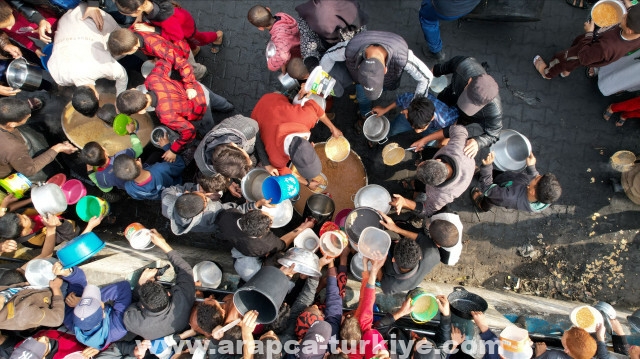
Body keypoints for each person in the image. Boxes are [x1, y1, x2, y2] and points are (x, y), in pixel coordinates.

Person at [116, 57, 233, 163]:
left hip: (199, 110)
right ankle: (228, 107)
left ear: (141, 111)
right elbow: (166, 60)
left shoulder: (165, 115)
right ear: (134, 90)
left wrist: (174, 150)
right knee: (215, 99)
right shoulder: (153, 79)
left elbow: (189, 131)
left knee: (207, 129)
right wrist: (156, 60)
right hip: (196, 88)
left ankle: (214, 138)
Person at [319, 30, 433, 121]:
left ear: (385, 70)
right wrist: (322, 76)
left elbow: (427, 77)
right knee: (363, 97)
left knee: (372, 93)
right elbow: (328, 56)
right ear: (359, 67)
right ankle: (364, 114)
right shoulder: (349, 48)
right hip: (360, 83)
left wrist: (415, 104)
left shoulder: (402, 55)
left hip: (389, 81)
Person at [411, 56, 501, 159]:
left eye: (472, 104)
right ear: (469, 80)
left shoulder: (494, 111)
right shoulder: (463, 64)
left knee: (442, 141)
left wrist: (479, 142)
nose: (466, 103)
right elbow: (436, 70)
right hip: (445, 100)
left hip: (461, 119)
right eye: (468, 97)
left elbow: (494, 134)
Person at [251, 93, 341, 188]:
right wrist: (308, 183)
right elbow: (287, 173)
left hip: (270, 99)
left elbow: (316, 108)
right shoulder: (277, 159)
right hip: (256, 118)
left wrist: (333, 128)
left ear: (312, 145)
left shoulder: (306, 118)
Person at [114, 0, 221, 76]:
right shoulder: (145, 5)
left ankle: (217, 36)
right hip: (177, 24)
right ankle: (195, 49)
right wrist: (139, 16)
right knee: (192, 44)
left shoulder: (164, 18)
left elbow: (177, 36)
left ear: (138, 9)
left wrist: (153, 29)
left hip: (185, 28)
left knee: (200, 39)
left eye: (127, 13)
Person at [534, 5, 640, 80]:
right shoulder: (636, 35)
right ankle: (566, 71)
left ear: (629, 30)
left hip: (586, 51)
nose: (623, 14)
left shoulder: (606, 47)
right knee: (572, 63)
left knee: (562, 59)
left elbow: (584, 57)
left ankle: (547, 73)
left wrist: (589, 33)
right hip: (593, 50)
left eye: (625, 17)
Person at [123, 229, 195, 339]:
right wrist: (162, 243)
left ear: (142, 305)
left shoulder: (134, 322)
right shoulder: (182, 303)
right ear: (169, 293)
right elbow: (185, 270)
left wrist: (139, 285)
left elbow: (129, 304)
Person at [393, 125, 476, 219]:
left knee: (418, 186)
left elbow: (427, 210)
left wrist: (405, 202)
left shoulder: (441, 195)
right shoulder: (459, 149)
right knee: (427, 152)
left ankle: (413, 185)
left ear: (432, 185)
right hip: (461, 161)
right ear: (438, 160)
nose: (419, 164)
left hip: (461, 173)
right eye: (423, 163)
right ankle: (413, 182)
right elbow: (459, 129)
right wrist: (424, 140)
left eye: (421, 163)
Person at [47, 3, 128, 94]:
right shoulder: (58, 76)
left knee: (121, 44)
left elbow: (122, 75)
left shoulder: (103, 66)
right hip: (67, 20)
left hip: (90, 17)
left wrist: (119, 96)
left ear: (97, 95)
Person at [214, 209, 315, 281]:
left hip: (233, 242)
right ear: (260, 235)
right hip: (247, 259)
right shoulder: (262, 245)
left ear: (249, 211)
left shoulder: (228, 215)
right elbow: (282, 244)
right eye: (270, 223)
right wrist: (302, 228)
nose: (272, 216)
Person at [377, 211, 462, 294]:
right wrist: (396, 229)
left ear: (393, 259)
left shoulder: (391, 286)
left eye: (397, 242)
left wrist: (376, 266)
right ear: (420, 256)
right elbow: (419, 238)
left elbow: (382, 279)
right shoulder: (433, 254)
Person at [56, 263, 131, 354]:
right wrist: (94, 298)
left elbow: (77, 286)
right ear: (103, 314)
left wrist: (68, 273)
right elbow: (123, 288)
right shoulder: (118, 328)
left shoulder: (69, 320)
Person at [0, 97, 77, 180]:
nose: (29, 115)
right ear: (11, 124)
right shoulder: (13, 147)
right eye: (26, 117)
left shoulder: (7, 128)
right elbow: (29, 170)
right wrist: (57, 148)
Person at [161, 181, 270, 236]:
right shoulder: (213, 211)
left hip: (195, 226)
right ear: (204, 209)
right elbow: (232, 213)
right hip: (212, 224)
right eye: (205, 198)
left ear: (185, 194)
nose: (206, 197)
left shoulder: (167, 200)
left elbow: (172, 188)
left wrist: (197, 188)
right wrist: (254, 205)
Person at [107, 27, 199, 88]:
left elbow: (182, 64)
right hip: (169, 48)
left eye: (126, 53)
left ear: (134, 48)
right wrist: (152, 57)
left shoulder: (157, 47)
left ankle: (201, 73)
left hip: (180, 51)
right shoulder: (131, 34)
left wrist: (189, 86)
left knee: (193, 69)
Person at [472, 152, 562, 213]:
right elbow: (535, 178)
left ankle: (482, 206)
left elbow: (488, 188)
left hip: (497, 194)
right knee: (493, 174)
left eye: (537, 178)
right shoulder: (546, 196)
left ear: (533, 192)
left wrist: (487, 167)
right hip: (507, 179)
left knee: (489, 199)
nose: (536, 175)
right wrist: (531, 168)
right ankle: (479, 173)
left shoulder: (508, 197)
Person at [295, 0, 368, 73]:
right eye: (326, 32)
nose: (331, 35)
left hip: (348, 50)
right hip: (322, 48)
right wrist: (313, 66)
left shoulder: (354, 16)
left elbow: (362, 42)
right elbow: (308, 46)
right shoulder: (309, 17)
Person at [112, 135, 185, 200]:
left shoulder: (129, 188)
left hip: (163, 196)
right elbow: (180, 165)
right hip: (176, 185)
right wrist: (167, 147)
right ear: (139, 162)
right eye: (135, 159)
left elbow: (138, 197)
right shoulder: (161, 168)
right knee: (157, 155)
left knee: (154, 156)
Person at [80, 122, 141, 192]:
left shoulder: (101, 177)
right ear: (105, 152)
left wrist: (91, 173)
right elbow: (138, 149)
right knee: (154, 155)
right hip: (141, 177)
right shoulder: (121, 156)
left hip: (131, 190)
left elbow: (106, 189)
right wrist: (131, 132)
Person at [194, 114, 259, 180]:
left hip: (242, 128)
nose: (250, 161)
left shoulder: (248, 128)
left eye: (247, 157)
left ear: (234, 145)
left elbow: (256, 128)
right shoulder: (206, 166)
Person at [373, 93, 459, 137]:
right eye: (414, 127)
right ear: (405, 112)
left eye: (421, 129)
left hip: (434, 127)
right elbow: (399, 100)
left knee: (428, 138)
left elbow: (456, 114)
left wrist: (425, 141)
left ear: (432, 118)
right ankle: (386, 135)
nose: (417, 131)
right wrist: (384, 109)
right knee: (394, 129)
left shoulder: (445, 119)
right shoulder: (409, 100)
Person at [0, 272, 64, 330]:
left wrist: (26, 283)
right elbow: (57, 319)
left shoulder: (1, 296)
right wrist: (56, 288)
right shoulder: (24, 314)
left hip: (38, 285)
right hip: (57, 294)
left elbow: (12, 290)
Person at [247, 5, 300, 73]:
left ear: (261, 28)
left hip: (297, 52)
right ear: (268, 9)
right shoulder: (281, 16)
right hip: (297, 37)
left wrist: (271, 64)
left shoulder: (280, 37)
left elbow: (284, 56)